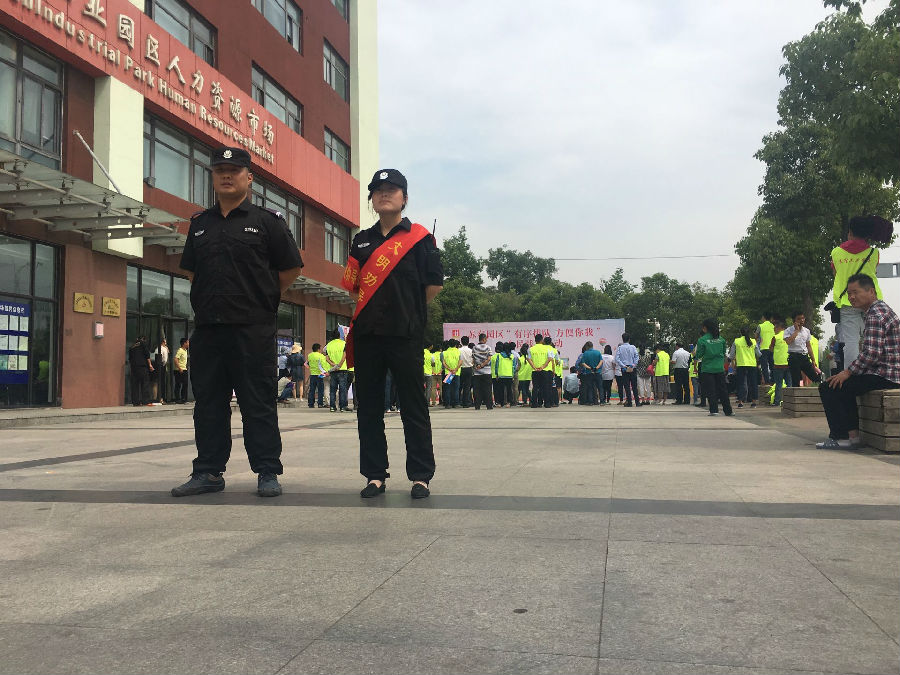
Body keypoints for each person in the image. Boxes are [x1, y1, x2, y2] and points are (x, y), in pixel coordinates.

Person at [172, 147, 304, 498]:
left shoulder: (267, 222)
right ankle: (208, 472)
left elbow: (290, 268)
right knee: (208, 404)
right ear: (213, 177)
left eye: (234, 170)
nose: (226, 175)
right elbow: (192, 271)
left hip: (252, 330)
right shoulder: (200, 224)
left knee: (258, 403)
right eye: (220, 170)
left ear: (249, 178)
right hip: (209, 330)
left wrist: (261, 297)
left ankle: (267, 471)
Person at [342, 168, 443, 499]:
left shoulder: (420, 239)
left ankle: (420, 476)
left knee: (413, 406)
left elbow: (433, 285)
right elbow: (353, 286)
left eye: (392, 189)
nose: (384, 194)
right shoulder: (361, 240)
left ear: (405, 198)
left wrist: (408, 312)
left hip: (405, 335)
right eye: (378, 190)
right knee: (369, 408)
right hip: (368, 335)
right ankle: (374, 475)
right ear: (372, 198)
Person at [816, 273, 900, 449]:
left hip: (886, 375)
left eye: (856, 292)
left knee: (829, 387)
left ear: (871, 292)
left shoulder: (876, 314)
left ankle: (841, 437)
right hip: (885, 372)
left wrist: (848, 372)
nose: (851, 297)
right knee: (842, 385)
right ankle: (852, 437)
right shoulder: (878, 310)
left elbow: (872, 354)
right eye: (849, 293)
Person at [829, 215, 886, 369]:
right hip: (871, 300)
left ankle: (852, 376)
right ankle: (875, 372)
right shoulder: (874, 253)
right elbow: (873, 271)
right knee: (874, 340)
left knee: (851, 342)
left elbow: (835, 273)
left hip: (849, 300)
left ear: (850, 232)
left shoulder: (836, 252)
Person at [695, 318, 732, 416]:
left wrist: (696, 354)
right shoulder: (721, 339)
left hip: (707, 368)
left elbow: (699, 355)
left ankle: (714, 410)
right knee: (723, 390)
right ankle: (728, 411)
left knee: (711, 390)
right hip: (719, 368)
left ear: (705, 328)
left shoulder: (702, 340)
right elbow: (723, 352)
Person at [783, 311, 822, 387]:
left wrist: (813, 360)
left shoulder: (806, 331)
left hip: (804, 357)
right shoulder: (788, 330)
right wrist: (796, 331)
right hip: (794, 357)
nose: (801, 320)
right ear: (794, 320)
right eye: (799, 319)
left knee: (815, 377)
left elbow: (808, 346)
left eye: (803, 318)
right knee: (795, 380)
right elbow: (788, 341)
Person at [727, 326, 761, 408]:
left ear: (740, 332)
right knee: (753, 383)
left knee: (741, 383)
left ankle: (741, 402)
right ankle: (754, 402)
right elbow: (758, 354)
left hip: (741, 365)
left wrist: (730, 359)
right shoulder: (753, 341)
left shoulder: (736, 341)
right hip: (752, 365)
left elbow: (732, 355)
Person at [325, 331, 350, 412]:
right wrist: (339, 365)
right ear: (339, 336)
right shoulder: (344, 343)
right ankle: (342, 407)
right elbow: (345, 355)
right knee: (343, 389)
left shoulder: (329, 345)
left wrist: (334, 365)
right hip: (342, 369)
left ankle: (332, 407)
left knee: (333, 390)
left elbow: (327, 358)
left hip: (333, 371)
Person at [770, 318, 792, 406]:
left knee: (778, 384)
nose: (774, 330)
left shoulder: (775, 337)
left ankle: (777, 401)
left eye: (775, 328)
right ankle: (790, 401)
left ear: (780, 328)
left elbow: (771, 349)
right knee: (789, 383)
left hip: (778, 365)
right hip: (789, 363)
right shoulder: (790, 337)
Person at [615, 333, 640, 407]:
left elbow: (617, 359)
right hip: (632, 368)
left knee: (627, 386)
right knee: (634, 386)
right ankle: (637, 402)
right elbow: (637, 357)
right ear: (629, 339)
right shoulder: (633, 347)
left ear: (622, 339)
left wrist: (623, 366)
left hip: (624, 369)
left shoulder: (620, 348)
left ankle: (629, 402)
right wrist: (633, 364)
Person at [129, 335, 154, 406]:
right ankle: (146, 401)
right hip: (142, 367)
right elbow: (147, 355)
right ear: (143, 339)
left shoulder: (132, 346)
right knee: (145, 384)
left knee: (135, 385)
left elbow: (130, 358)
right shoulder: (143, 344)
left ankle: (135, 402)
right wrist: (150, 365)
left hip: (134, 368)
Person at [472, 332, 493, 410]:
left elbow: (473, 359)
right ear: (484, 339)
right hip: (487, 372)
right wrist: (482, 365)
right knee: (487, 389)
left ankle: (477, 406)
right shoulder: (488, 348)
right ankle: (489, 405)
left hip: (477, 372)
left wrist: (477, 366)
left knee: (477, 390)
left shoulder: (474, 348)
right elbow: (489, 359)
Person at [494, 342, 517, 407]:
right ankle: (508, 403)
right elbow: (514, 367)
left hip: (501, 375)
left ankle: (500, 403)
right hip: (509, 375)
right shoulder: (512, 356)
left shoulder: (499, 355)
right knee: (509, 390)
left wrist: (496, 374)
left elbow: (496, 366)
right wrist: (512, 374)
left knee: (501, 390)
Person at [580, 341, 603, 405]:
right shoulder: (598, 352)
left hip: (589, 373)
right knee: (600, 387)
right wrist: (597, 367)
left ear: (587, 346)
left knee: (590, 387)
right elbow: (601, 361)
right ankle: (602, 401)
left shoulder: (585, 353)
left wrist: (590, 368)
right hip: (597, 372)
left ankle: (590, 401)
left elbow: (583, 363)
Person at [756, 313, 776, 385]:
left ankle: (767, 382)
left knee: (764, 366)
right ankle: (773, 381)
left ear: (763, 317)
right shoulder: (773, 326)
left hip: (763, 348)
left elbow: (756, 336)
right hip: (772, 348)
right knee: (772, 366)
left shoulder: (760, 326)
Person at [306, 343, 327, 408]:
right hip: (320, 375)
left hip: (312, 374)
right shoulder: (321, 356)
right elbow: (324, 365)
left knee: (312, 390)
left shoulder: (309, 355)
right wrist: (326, 372)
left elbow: (306, 364)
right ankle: (320, 404)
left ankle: (311, 404)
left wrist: (311, 368)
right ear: (318, 349)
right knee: (320, 390)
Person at [442, 339, 461, 408]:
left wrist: (449, 369)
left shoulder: (444, 353)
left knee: (447, 388)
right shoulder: (459, 351)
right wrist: (455, 369)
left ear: (449, 345)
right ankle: (456, 403)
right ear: (455, 345)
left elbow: (443, 363)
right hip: (456, 373)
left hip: (448, 373)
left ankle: (447, 404)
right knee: (456, 388)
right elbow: (460, 362)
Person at [458, 335, 474, 407]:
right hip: (469, 369)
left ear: (461, 342)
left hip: (460, 369)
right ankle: (466, 402)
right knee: (467, 387)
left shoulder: (458, 350)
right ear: (468, 342)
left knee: (459, 386)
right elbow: (473, 360)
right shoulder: (471, 351)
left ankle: (458, 401)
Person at [173, 337, 189, 404]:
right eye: (187, 342)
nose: (188, 344)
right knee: (178, 384)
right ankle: (177, 399)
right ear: (184, 343)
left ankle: (183, 398)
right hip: (179, 370)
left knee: (185, 384)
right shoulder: (180, 350)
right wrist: (179, 368)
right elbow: (175, 359)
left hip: (184, 369)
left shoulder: (185, 351)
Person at [154, 338, 169, 403]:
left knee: (157, 381)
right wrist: (164, 364)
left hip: (157, 365)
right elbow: (165, 359)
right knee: (162, 382)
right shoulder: (164, 349)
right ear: (163, 342)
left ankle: (157, 397)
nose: (166, 344)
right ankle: (162, 397)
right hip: (162, 366)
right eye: (165, 342)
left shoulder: (157, 348)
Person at [517, 342, 532, 406]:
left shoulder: (520, 359)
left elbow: (518, 367)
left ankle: (525, 401)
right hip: (528, 376)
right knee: (527, 389)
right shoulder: (530, 359)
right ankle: (531, 400)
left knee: (523, 389)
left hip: (521, 376)